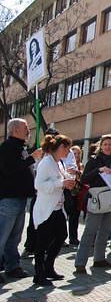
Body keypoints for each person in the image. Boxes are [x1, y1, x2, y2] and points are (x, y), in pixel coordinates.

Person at [75, 134, 111, 274]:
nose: (108, 147)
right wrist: (98, 170)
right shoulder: (94, 160)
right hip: (97, 199)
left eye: (110, 145)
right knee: (90, 231)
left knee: (105, 231)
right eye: (105, 144)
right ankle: (80, 262)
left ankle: (99, 259)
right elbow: (84, 179)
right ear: (101, 145)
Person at [0, 118, 43, 283]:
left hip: (20, 198)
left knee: (15, 237)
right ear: (15, 130)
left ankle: (12, 266)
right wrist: (31, 158)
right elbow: (10, 170)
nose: (28, 130)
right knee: (3, 236)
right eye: (25, 127)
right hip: (9, 199)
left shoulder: (19, 147)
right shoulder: (7, 147)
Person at [32, 134, 76, 286]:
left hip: (57, 208)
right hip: (46, 209)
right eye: (66, 148)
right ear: (58, 147)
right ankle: (39, 273)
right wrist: (61, 183)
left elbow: (60, 181)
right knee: (42, 242)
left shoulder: (59, 163)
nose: (68, 151)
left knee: (61, 235)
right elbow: (38, 185)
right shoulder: (46, 162)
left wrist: (67, 182)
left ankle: (48, 267)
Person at [66, 145, 84, 246]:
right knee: (64, 216)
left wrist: (77, 172)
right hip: (67, 193)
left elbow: (84, 176)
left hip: (77, 194)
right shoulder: (66, 163)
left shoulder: (80, 165)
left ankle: (73, 238)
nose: (76, 155)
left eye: (78, 153)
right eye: (74, 153)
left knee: (75, 217)